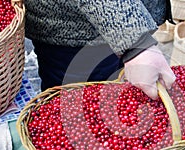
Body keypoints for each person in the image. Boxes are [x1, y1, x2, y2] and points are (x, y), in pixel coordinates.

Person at [24, 0, 176, 100]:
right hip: (75, 29)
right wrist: (135, 41)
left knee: (119, 103)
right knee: (75, 117)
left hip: (132, 16)